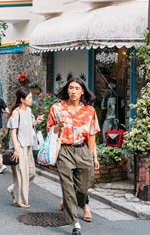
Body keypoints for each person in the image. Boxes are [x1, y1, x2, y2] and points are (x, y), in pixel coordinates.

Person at [47, 78, 100, 235]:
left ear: (82, 91)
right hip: (64, 150)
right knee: (67, 186)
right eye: (71, 88)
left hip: (83, 150)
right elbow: (49, 130)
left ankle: (79, 202)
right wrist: (58, 126)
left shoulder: (89, 111)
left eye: (77, 88)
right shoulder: (57, 108)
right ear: (67, 90)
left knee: (84, 186)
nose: (73, 91)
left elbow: (91, 136)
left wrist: (94, 157)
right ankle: (75, 223)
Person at [7, 88, 43, 208]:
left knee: (31, 172)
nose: (32, 100)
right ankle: (20, 200)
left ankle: (14, 189)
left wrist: (36, 121)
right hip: (19, 146)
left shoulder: (29, 110)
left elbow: (29, 125)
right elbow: (13, 132)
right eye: (30, 98)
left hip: (28, 146)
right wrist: (16, 149)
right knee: (21, 174)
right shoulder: (16, 113)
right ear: (22, 100)